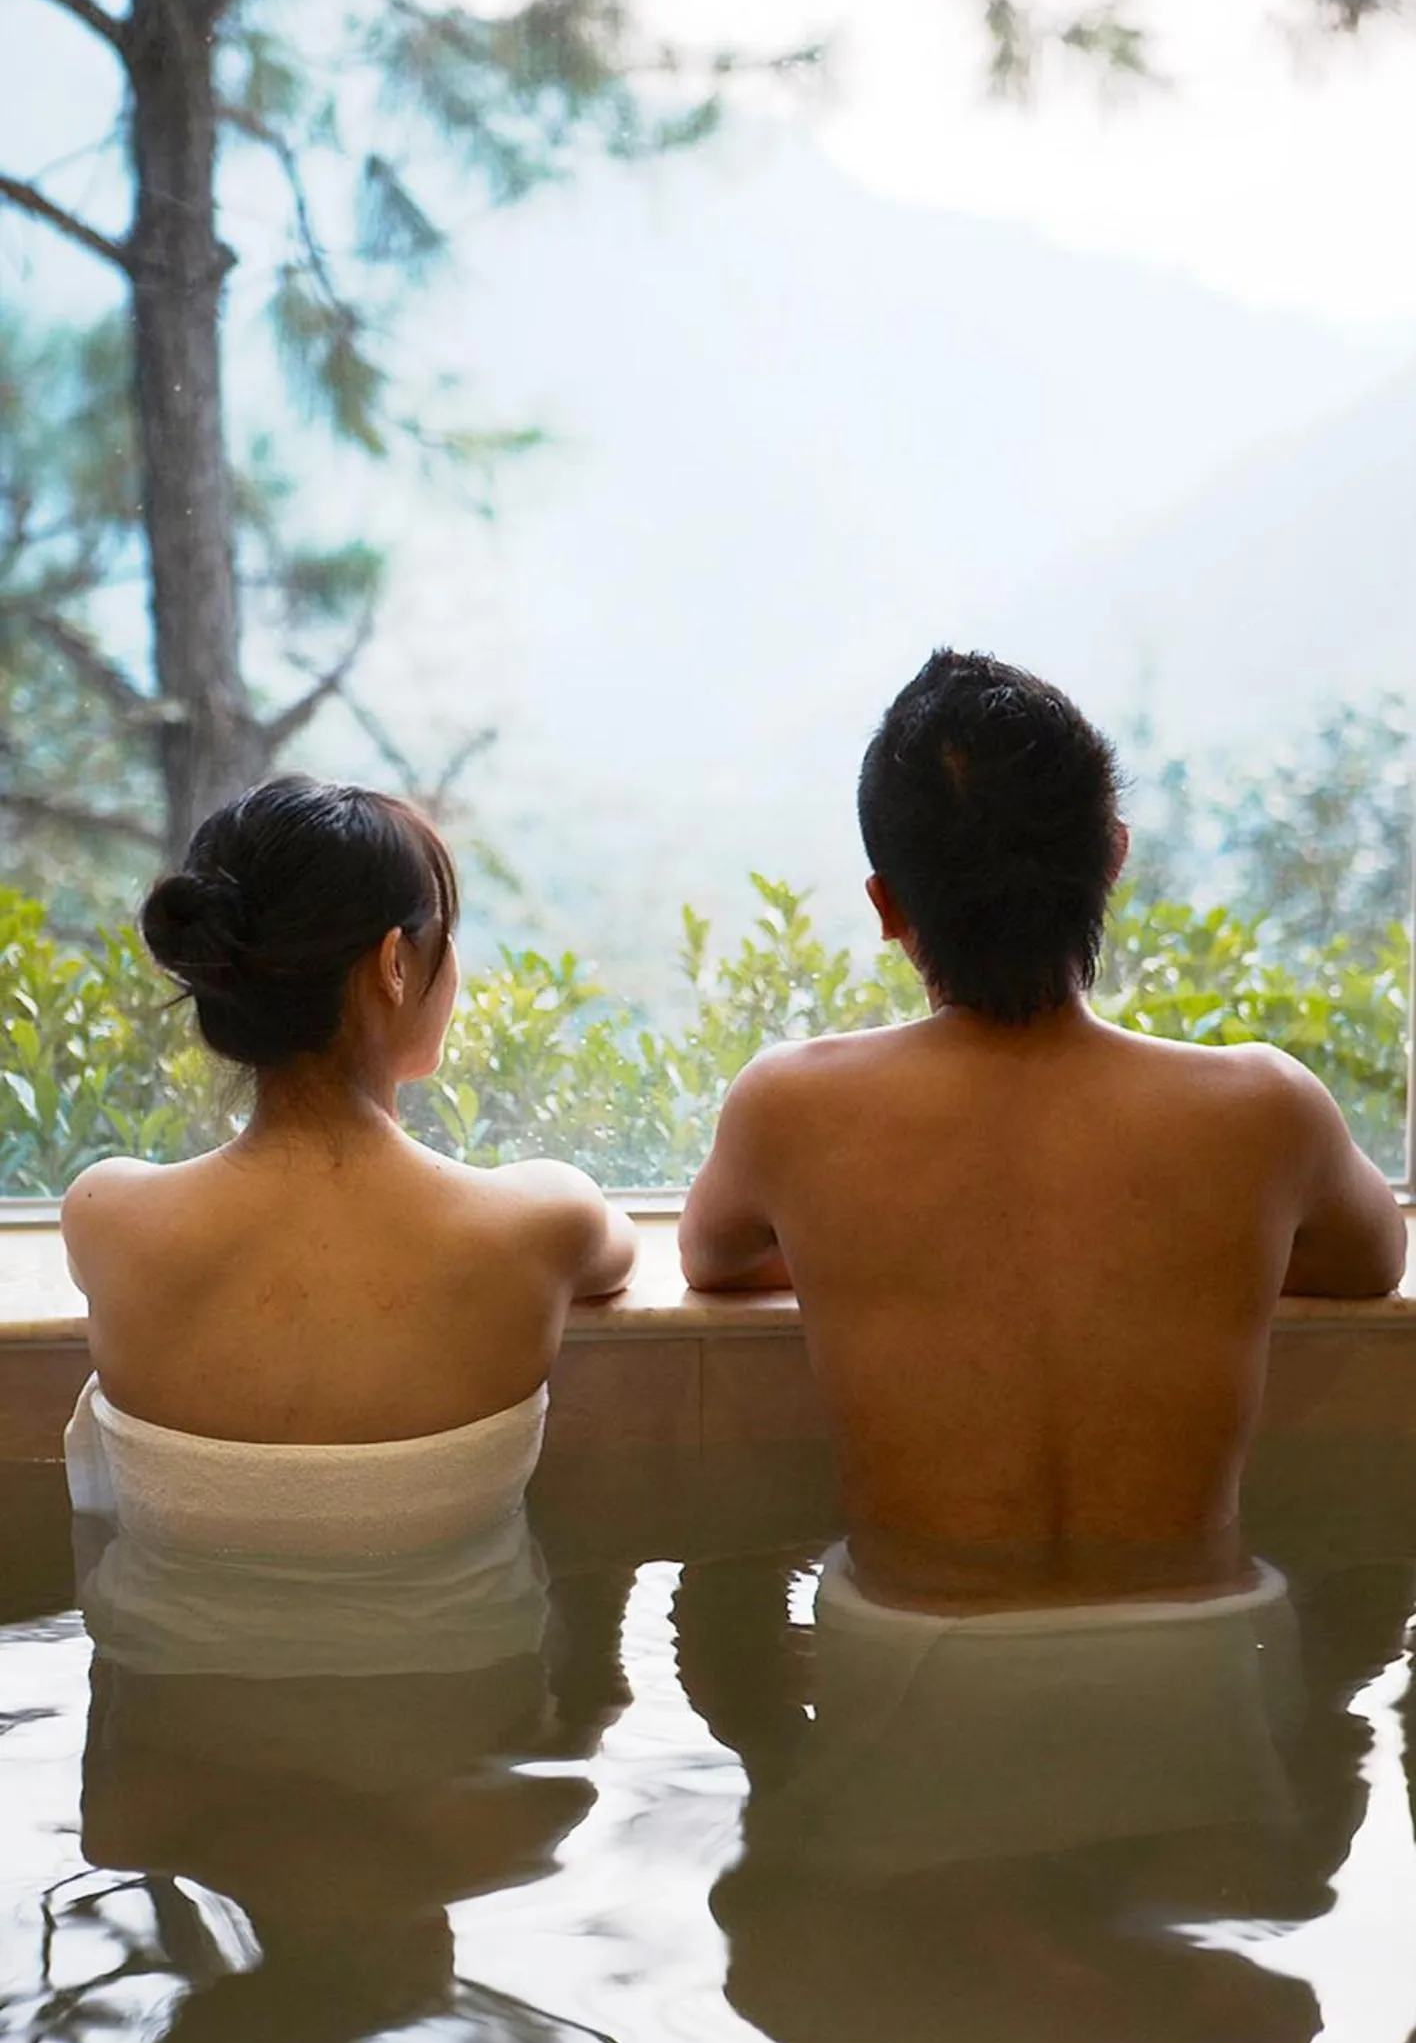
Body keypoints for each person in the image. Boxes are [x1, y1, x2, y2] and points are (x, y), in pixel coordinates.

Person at [680, 650, 1407, 1613]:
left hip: (913, 1645)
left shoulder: (788, 1107)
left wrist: (872, 1255)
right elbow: (1373, 1261)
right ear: (1113, 854)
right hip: (1195, 1647)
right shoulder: (1265, 1108)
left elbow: (712, 1259)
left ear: (887, 906)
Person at [61, 774, 635, 1546]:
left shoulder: (107, 1217)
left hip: (170, 1667)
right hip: (467, 1669)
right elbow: (620, 1258)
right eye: (446, 936)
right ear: (394, 962)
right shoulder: (542, 1218)